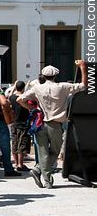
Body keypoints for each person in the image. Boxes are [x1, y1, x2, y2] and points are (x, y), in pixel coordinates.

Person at [17, 61, 88, 189]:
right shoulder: (63, 87)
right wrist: (83, 68)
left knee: (43, 153)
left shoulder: (37, 87)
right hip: (55, 124)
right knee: (55, 152)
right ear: (55, 76)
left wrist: (31, 109)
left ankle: (39, 170)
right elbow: (83, 86)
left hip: (40, 123)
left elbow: (19, 99)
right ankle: (46, 179)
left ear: (44, 76)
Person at [9, 81, 31, 171]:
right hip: (23, 123)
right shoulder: (23, 99)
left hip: (14, 122)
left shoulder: (12, 97)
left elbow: (10, 94)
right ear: (23, 88)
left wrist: (14, 86)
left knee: (15, 143)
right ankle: (20, 164)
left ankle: (16, 163)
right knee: (22, 143)